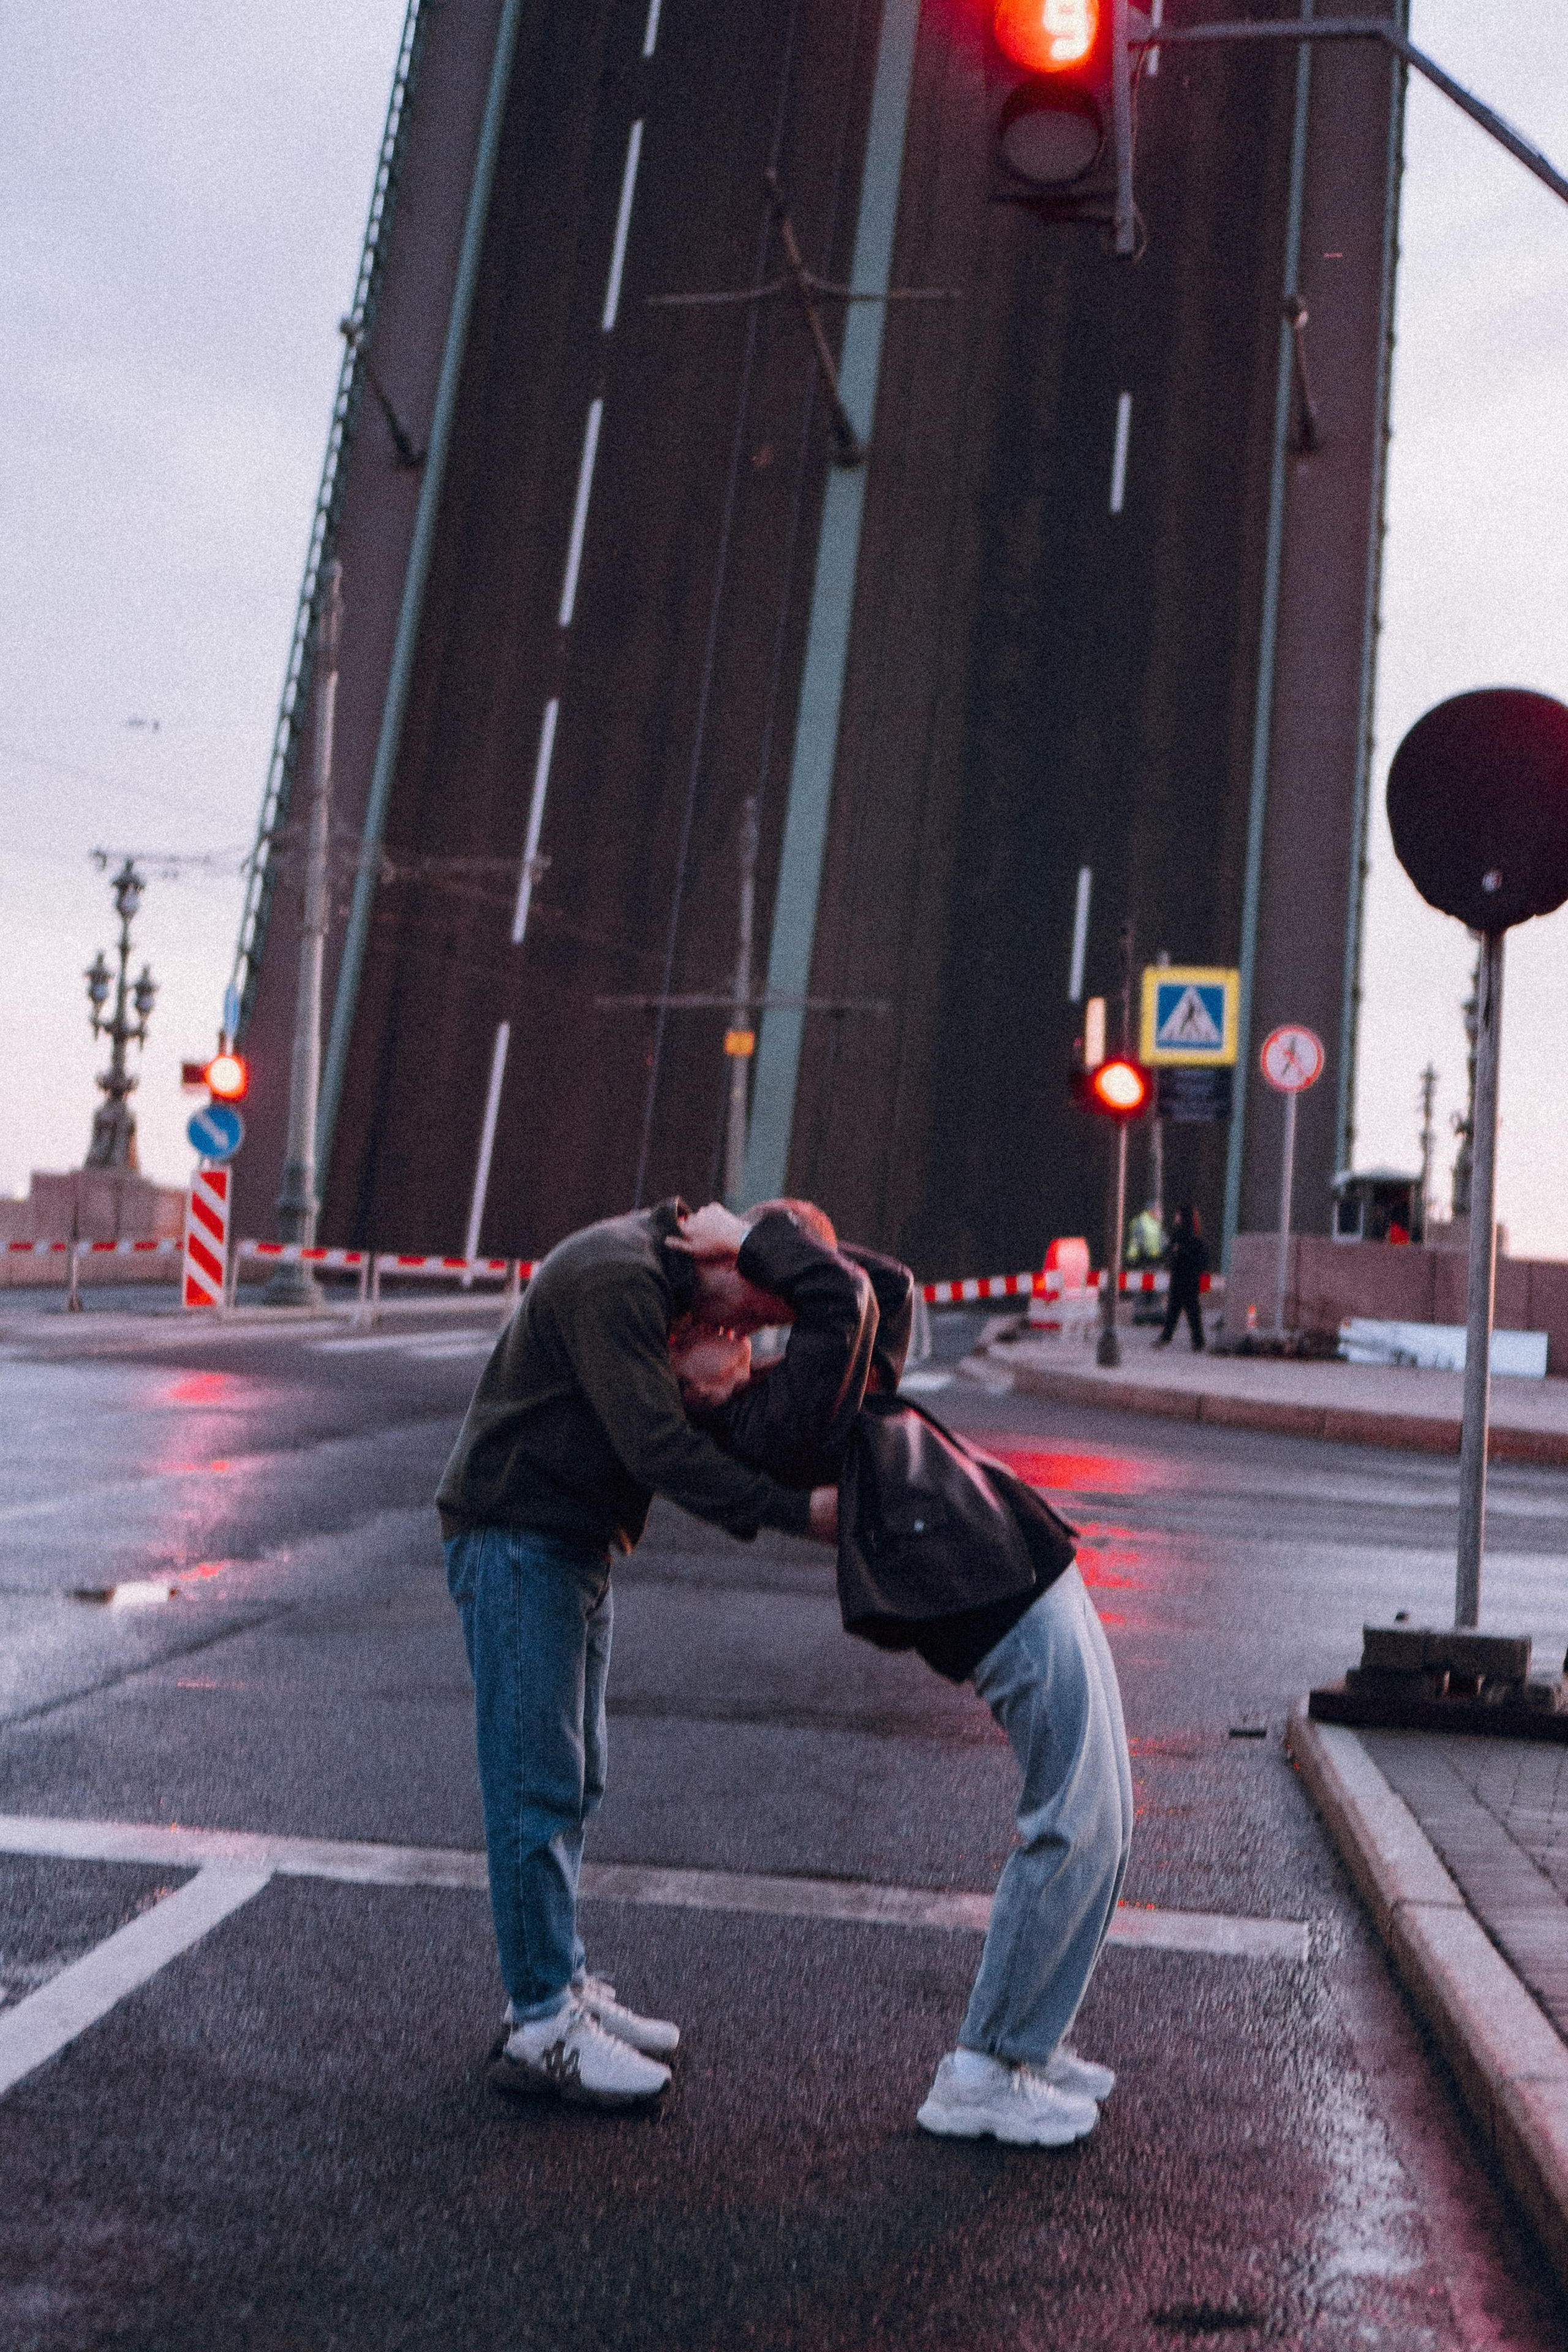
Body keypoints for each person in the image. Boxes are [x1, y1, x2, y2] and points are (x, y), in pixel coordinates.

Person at [674, 1200, 1134, 2150]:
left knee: (1107, 1819)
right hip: (997, 1597)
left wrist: (769, 1262)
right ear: (676, 1388)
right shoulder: (772, 1422)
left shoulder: (804, 1385)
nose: (722, 1330)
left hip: (1024, 1570)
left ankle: (1031, 2046)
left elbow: (885, 1293)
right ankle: (984, 2069)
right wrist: (753, 1242)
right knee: (1070, 1824)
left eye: (730, 1320)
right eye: (694, 1338)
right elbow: (842, 1303)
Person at [435, 1197, 837, 2111]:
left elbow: (865, 1291)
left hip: (569, 1543)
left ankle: (562, 1982)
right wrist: (795, 1514)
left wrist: (781, 1272)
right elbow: (657, 1446)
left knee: (577, 1779)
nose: (743, 1336)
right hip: (516, 1538)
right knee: (534, 1782)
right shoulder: (618, 1278)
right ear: (735, 1263)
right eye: (754, 1314)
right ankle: (541, 2023)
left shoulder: (666, 1278)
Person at [1155, 1201, 1208, 1351]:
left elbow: (1199, 1260)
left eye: (1178, 1214)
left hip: (1187, 1280)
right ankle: (1172, 1338)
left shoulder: (1190, 1238)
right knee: (1177, 1310)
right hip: (1182, 1279)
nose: (1176, 1217)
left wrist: (1180, 1252)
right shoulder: (1182, 1234)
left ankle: (1197, 1341)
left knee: (1190, 1312)